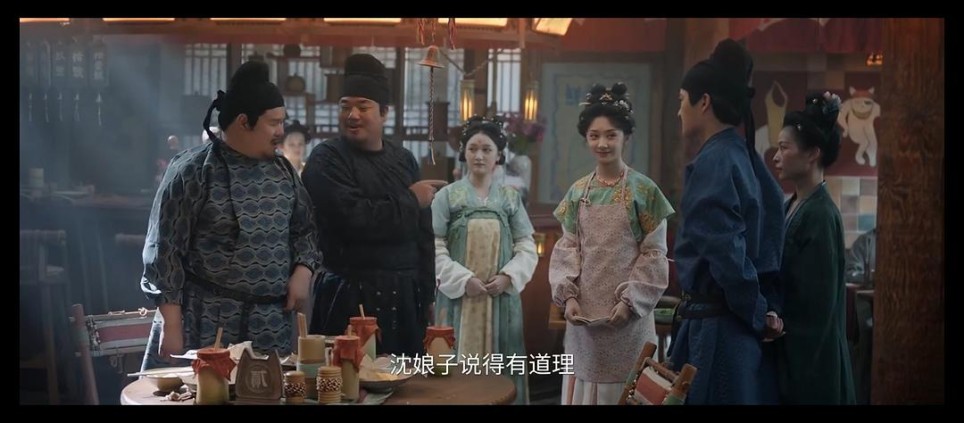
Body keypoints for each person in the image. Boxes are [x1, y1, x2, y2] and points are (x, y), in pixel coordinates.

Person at [140, 61, 321, 370]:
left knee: (267, 392)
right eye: (273, 123)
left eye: (282, 122)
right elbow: (164, 251)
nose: (281, 132)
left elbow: (305, 231)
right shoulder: (193, 170)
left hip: (270, 324)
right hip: (204, 320)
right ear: (243, 121)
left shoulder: (283, 171)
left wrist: (303, 270)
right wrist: (171, 323)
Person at [668, 39, 786, 404]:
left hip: (717, 333)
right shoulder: (742, 155)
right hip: (735, 326)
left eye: (682, 100)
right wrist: (765, 308)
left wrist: (756, 311)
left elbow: (727, 254)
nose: (679, 111)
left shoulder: (716, 161)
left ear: (703, 102)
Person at [303, 54, 443, 356]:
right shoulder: (325, 159)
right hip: (347, 294)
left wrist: (427, 294)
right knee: (346, 378)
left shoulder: (404, 160)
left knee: (407, 378)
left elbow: (423, 235)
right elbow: (353, 219)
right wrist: (411, 199)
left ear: (384, 113)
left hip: (405, 297)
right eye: (345, 106)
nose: (352, 115)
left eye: (363, 106)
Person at [548, 82, 675, 405]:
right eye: (594, 136)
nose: (602, 143)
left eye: (611, 135)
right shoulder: (578, 192)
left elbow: (654, 253)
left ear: (626, 137)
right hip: (584, 318)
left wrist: (630, 302)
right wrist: (568, 297)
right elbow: (568, 248)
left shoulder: (644, 191)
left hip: (629, 320)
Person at [433, 115, 539, 404]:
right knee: (456, 372)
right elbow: (434, 245)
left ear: (499, 155)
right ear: (464, 152)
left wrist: (508, 277)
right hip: (458, 299)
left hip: (499, 299)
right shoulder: (447, 196)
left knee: (501, 371)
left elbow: (526, 245)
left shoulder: (510, 198)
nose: (479, 156)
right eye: (473, 148)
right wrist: (463, 280)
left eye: (487, 149)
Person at [771, 91, 856, 404]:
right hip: (790, 350)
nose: (776, 157)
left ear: (812, 154)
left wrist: (779, 323)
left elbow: (816, 308)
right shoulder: (792, 205)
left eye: (784, 148)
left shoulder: (820, 214)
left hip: (812, 359)